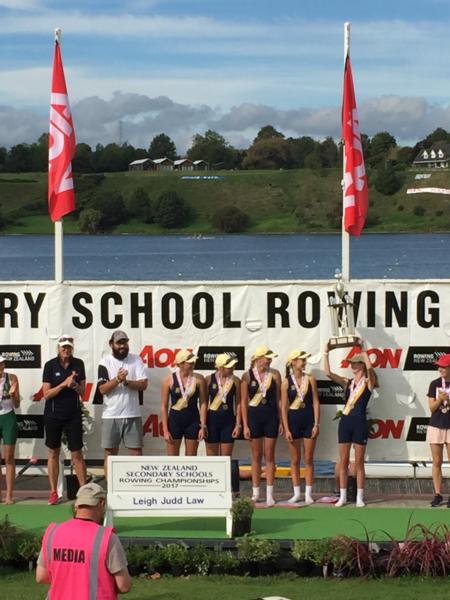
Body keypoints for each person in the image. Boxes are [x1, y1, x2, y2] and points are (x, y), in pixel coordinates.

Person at [36, 481, 132, 598]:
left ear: (77, 505)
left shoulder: (53, 532)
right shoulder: (106, 538)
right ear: (101, 503)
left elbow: (41, 576)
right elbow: (124, 586)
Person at [323, 340, 376, 507]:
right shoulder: (348, 383)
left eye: (355, 363)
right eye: (351, 363)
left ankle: (360, 497)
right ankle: (343, 496)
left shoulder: (368, 382)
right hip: (345, 422)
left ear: (362, 365)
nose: (352, 365)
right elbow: (328, 373)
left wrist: (364, 351)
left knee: (359, 462)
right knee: (343, 461)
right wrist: (326, 352)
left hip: (360, 422)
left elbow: (371, 370)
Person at [42, 335, 87, 505]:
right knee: (53, 452)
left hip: (73, 414)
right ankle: (54, 492)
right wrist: (63, 384)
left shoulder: (79, 364)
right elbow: (46, 394)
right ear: (58, 348)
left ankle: (83, 492)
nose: (66, 350)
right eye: (63, 347)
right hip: (53, 415)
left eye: (68, 347)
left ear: (72, 348)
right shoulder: (50, 365)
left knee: (77, 453)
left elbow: (83, 392)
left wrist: (74, 384)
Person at [98, 330, 148, 478]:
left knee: (136, 452)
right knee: (110, 453)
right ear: (111, 344)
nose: (122, 346)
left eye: (125, 342)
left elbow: (143, 384)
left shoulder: (136, 359)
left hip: (132, 414)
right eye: (119, 343)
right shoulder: (105, 362)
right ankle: (110, 487)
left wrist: (126, 382)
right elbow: (102, 389)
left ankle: (136, 487)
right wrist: (118, 379)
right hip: (110, 415)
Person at [241, 345, 282, 506]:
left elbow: (279, 400)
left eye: (270, 358)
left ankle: (270, 494)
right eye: (267, 357)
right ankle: (256, 492)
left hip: (271, 418)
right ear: (258, 359)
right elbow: (243, 402)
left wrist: (281, 421)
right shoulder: (247, 376)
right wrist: (245, 425)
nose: (270, 360)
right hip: (254, 419)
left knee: (270, 456)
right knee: (256, 457)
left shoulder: (275, 374)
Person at [281, 349, 320, 504]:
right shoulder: (285, 383)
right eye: (301, 360)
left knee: (309, 459)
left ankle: (309, 494)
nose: (304, 362)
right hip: (293, 421)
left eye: (304, 360)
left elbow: (316, 402)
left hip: (308, 420)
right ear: (293, 362)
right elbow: (283, 407)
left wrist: (317, 423)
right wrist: (286, 428)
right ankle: (297, 493)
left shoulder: (310, 379)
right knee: (295, 459)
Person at [161, 349, 207, 456]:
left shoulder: (199, 379)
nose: (193, 364)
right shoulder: (168, 380)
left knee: (191, 457)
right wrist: (165, 430)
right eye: (189, 362)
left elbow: (203, 403)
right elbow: (164, 406)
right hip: (174, 421)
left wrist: (203, 426)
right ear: (180, 364)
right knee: (172, 458)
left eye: (193, 362)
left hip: (193, 421)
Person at [205, 353, 242, 456]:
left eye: (233, 366)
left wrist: (238, 424)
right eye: (229, 367)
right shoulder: (208, 379)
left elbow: (238, 403)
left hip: (228, 422)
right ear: (220, 368)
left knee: (226, 459)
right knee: (212, 459)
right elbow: (203, 404)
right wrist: (203, 425)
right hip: (211, 422)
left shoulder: (236, 380)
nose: (233, 368)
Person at [426, 353, 450, 507]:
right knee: (437, 462)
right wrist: (440, 399)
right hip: (436, 425)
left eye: (443, 366)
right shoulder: (434, 384)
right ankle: (438, 494)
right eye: (439, 366)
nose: (440, 369)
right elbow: (432, 407)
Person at [0, 355, 19, 504]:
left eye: (1, 364)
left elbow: (17, 404)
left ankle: (9, 495)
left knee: (9, 457)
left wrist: (13, 395)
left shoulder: (12, 378)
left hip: (8, 418)